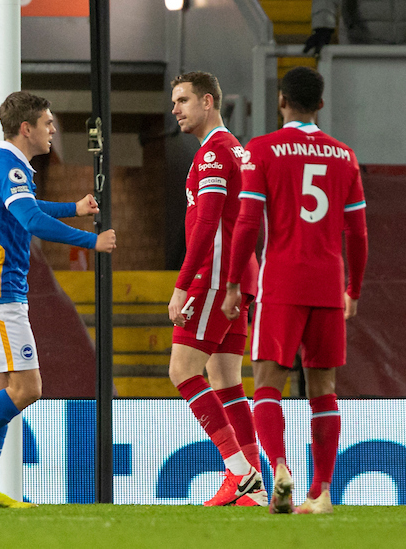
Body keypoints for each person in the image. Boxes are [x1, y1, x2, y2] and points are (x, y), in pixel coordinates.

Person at [0, 91, 116, 508]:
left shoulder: (2, 164)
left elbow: (27, 207)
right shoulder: (11, 166)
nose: (53, 130)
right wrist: (93, 240)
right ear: (26, 128)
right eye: (48, 123)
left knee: (0, 392)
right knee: (28, 388)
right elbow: (31, 220)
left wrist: (74, 206)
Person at [221, 66, 368, 514]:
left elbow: (247, 221)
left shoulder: (262, 150)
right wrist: (353, 290)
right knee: (323, 388)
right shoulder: (345, 157)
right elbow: (358, 234)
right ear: (320, 105)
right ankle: (321, 493)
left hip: (281, 281)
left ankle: (280, 467)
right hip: (327, 283)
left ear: (281, 100)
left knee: (267, 381)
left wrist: (231, 284)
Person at [166, 71, 265, 507]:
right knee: (225, 378)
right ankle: (255, 483)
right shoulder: (237, 150)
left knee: (182, 370)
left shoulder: (213, 154)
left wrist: (183, 284)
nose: (175, 109)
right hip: (238, 280)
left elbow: (207, 224)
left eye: (183, 100)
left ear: (208, 101)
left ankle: (240, 473)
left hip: (214, 278)